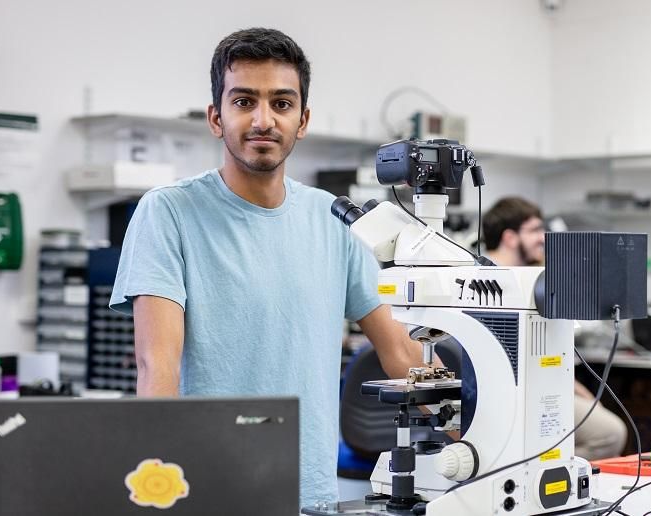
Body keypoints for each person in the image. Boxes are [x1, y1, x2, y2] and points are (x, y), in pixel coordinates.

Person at [109, 28, 433, 506]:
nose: (264, 120)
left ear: (302, 121)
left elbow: (402, 355)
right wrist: (160, 492)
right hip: (206, 491)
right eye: (244, 101)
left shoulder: (333, 219)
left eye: (281, 104)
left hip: (311, 493)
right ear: (216, 118)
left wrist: (487, 415)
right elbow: (157, 368)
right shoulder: (169, 212)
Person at [483, 197, 628, 460]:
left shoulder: (532, 278)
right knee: (610, 433)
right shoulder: (483, 281)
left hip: (540, 384)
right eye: (535, 230)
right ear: (509, 237)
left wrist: (568, 382)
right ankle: (536, 467)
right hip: (502, 392)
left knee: (604, 423)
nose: (543, 238)